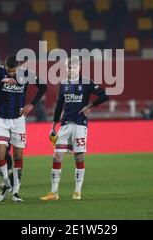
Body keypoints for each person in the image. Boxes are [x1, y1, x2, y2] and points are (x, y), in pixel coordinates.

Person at [40, 56, 109, 201]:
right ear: (66, 68)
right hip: (65, 124)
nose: (71, 69)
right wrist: (53, 125)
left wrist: (90, 106)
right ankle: (54, 192)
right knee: (57, 155)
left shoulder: (86, 82)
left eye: (74, 67)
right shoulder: (63, 83)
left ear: (79, 68)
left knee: (79, 156)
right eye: (69, 67)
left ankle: (77, 191)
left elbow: (104, 95)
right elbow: (59, 106)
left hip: (79, 124)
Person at [0, 54, 47, 202]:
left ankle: (15, 192)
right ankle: (7, 184)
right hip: (2, 119)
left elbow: (43, 86)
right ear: (5, 66)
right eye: (9, 71)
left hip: (18, 120)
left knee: (18, 156)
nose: (12, 74)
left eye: (14, 71)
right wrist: (2, 82)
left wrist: (32, 104)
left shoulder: (25, 73)